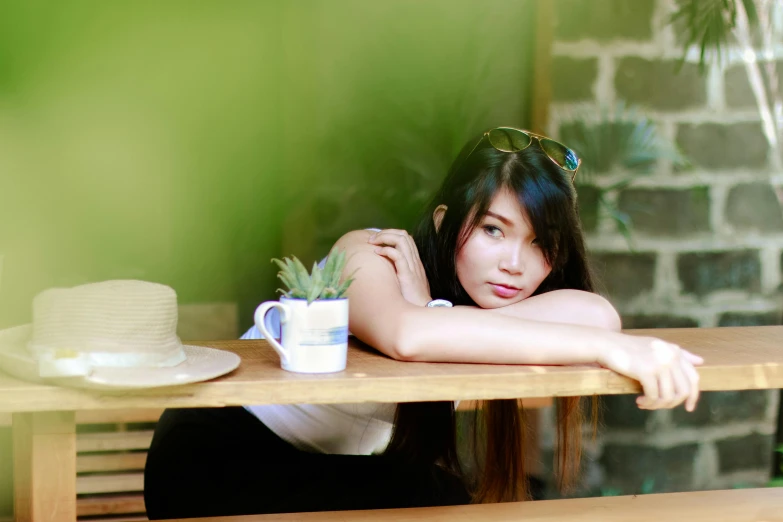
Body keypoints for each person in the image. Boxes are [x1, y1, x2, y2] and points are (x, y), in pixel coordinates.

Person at [144, 127, 702, 518]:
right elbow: (408, 337)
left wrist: (435, 310)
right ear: (445, 221)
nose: (514, 262)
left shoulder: (501, 304)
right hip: (221, 458)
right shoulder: (369, 255)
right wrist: (424, 311)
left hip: (336, 468)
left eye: (539, 243)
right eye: (493, 230)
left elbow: (598, 316)